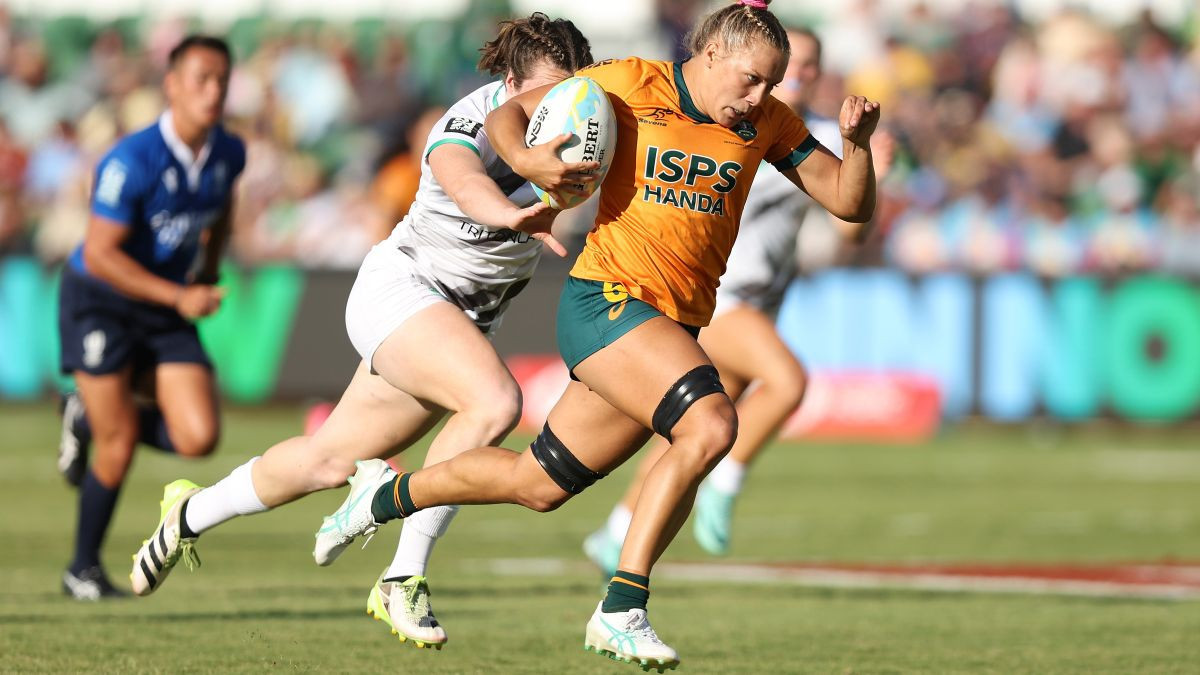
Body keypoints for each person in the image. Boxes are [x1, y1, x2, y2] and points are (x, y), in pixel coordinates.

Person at [314, 0, 880, 669]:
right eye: (752, 78)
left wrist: (859, 145)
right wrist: (531, 163)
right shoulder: (626, 83)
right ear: (712, 52)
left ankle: (378, 495)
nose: (762, 95)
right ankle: (622, 608)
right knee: (710, 425)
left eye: (773, 83)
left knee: (536, 483)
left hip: (669, 326)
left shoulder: (769, 123)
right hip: (607, 302)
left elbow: (849, 202)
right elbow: (506, 111)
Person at [127, 13, 594, 650]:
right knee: (494, 404)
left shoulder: (588, 121)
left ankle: (188, 513)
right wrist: (514, 218)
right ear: (510, 82)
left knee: (325, 460)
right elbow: (467, 183)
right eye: (542, 97)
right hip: (401, 290)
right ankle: (402, 576)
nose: (555, 114)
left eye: (568, 95)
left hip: (452, 323)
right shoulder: (464, 123)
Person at [583, 26, 896, 573]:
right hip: (725, 297)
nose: (797, 76)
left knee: (688, 430)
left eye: (806, 65)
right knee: (786, 381)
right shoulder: (735, 121)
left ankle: (616, 533)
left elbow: (851, 225)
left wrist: (865, 161)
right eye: (769, 72)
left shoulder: (794, 131)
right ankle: (725, 483)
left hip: (751, 299)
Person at [56, 34, 243, 600]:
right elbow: (99, 253)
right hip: (101, 301)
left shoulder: (229, 153)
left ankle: (88, 416)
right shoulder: (131, 160)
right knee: (119, 440)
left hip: (165, 305)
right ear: (172, 85)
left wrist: (207, 271)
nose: (212, 91)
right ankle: (81, 569)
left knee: (199, 436)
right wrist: (179, 296)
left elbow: (224, 208)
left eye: (221, 81)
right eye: (200, 79)